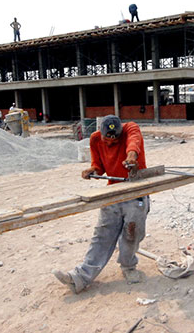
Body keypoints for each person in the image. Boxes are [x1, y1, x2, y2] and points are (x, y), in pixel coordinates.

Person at [53, 115, 149, 294]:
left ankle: (128, 267)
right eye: (108, 139)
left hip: (135, 191)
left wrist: (131, 156)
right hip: (112, 191)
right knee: (102, 235)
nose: (111, 142)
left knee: (132, 233)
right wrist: (93, 170)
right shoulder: (95, 139)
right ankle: (81, 277)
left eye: (116, 138)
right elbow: (99, 166)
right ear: (102, 133)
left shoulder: (130, 128)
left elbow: (134, 142)